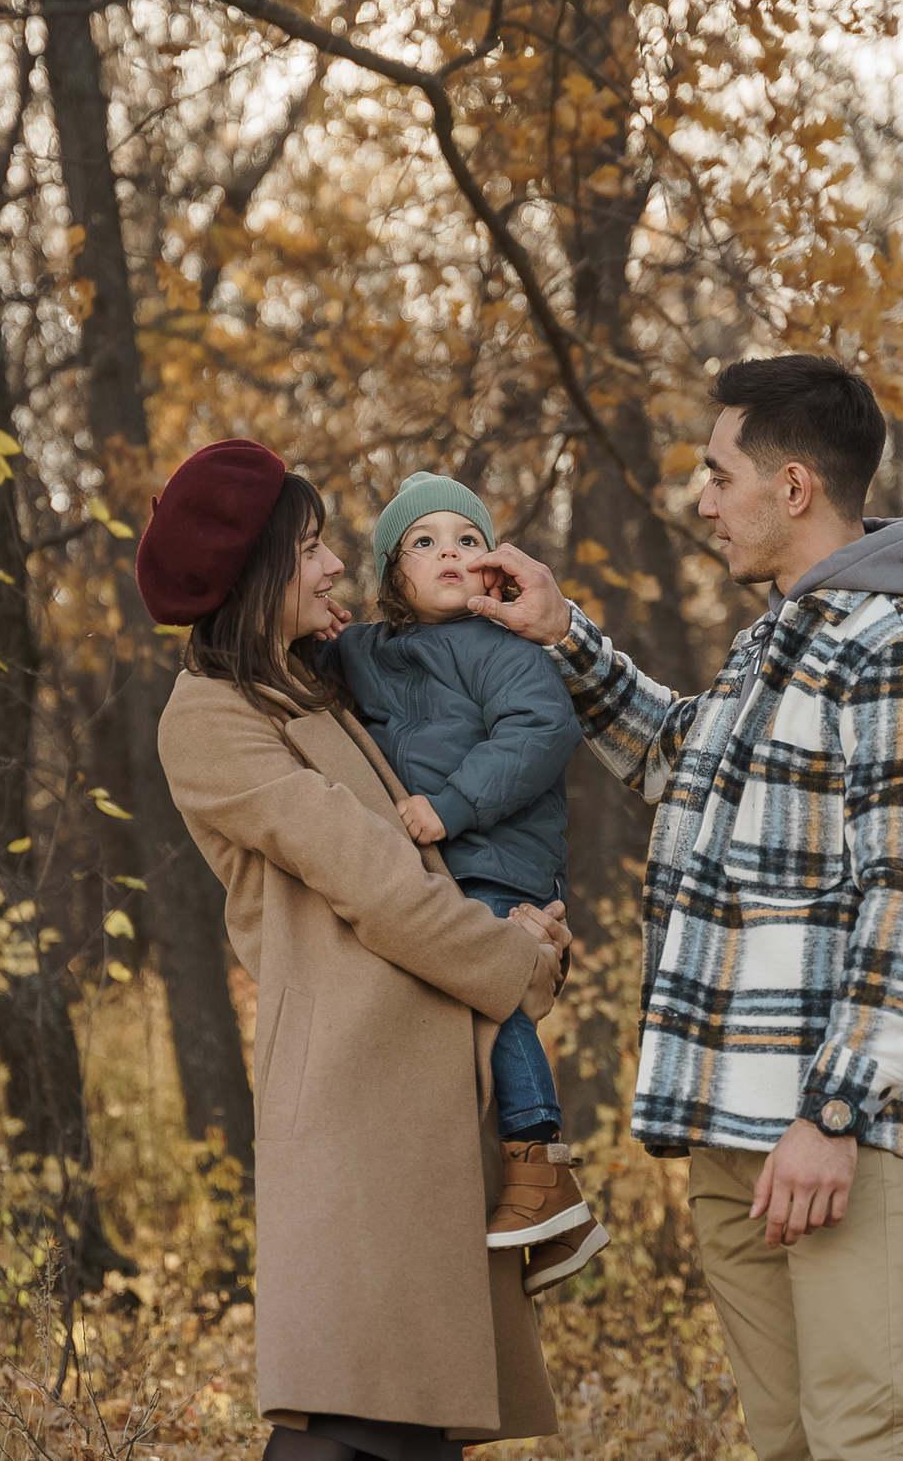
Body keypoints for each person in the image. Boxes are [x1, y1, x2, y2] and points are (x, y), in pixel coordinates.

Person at [465, 355, 903, 1461]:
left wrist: (833, 1117)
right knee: (790, 1444)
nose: (700, 500)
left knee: (872, 1442)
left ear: (792, 487)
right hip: (731, 1131)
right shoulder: (772, 650)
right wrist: (563, 634)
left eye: (717, 475)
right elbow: (671, 755)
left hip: (834, 1139)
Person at [139, 438, 573, 1461]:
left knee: (408, 1419)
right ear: (255, 575)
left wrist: (522, 908)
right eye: (312, 547)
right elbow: (376, 883)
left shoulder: (317, 687)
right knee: (352, 1416)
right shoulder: (209, 718)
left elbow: (478, 767)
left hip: (427, 1081)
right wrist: (518, 964)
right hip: (352, 1101)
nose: (337, 565)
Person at [313, 472, 607, 1295]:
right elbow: (306, 669)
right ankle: (550, 1221)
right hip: (438, 864)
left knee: (490, 984)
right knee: (446, 1010)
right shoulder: (364, 651)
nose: (450, 551)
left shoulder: (503, 649)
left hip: (497, 854)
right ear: (392, 573)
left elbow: (542, 728)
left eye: (468, 540)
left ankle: (540, 1160)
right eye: (425, 540)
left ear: (493, 569)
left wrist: (453, 804)